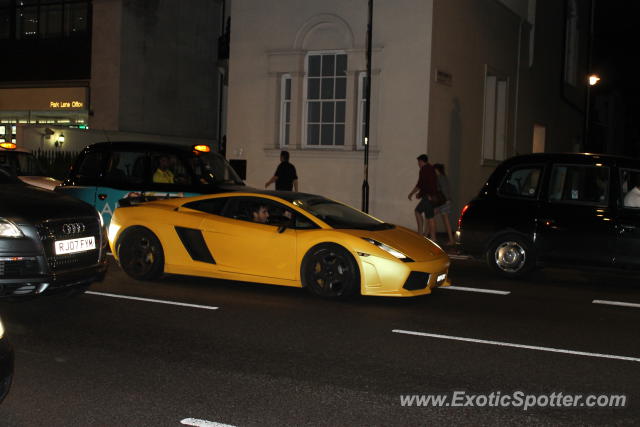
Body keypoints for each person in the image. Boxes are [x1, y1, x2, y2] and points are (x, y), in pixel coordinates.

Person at [408, 154, 437, 239]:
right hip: (430, 196)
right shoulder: (431, 168)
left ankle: (427, 237)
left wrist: (416, 194)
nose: (418, 164)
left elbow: (422, 184)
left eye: (418, 162)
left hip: (427, 197)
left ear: (421, 161)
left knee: (429, 217)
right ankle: (424, 236)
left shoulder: (424, 170)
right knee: (422, 213)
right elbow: (429, 183)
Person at [433, 163, 455, 246]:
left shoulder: (440, 178)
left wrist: (446, 199)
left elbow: (443, 190)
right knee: (444, 220)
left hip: (443, 202)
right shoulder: (443, 177)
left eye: (434, 170)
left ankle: (431, 237)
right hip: (445, 201)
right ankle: (450, 239)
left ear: (437, 170)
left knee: (432, 216)